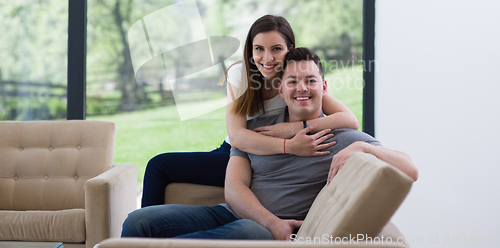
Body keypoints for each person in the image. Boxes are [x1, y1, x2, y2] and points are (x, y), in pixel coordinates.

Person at [122, 48, 418, 240]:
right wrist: (268, 218)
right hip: (229, 212)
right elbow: (234, 186)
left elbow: (410, 169)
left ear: (324, 87)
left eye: (310, 81)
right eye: (293, 81)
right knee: (139, 221)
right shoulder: (258, 130)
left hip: (261, 232)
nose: (302, 88)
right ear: (280, 88)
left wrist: (365, 148)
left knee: (248, 232)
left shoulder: (344, 138)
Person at [141, 15, 358, 207]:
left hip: (268, 160)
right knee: (158, 166)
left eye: (276, 49)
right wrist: (288, 145)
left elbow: (349, 120)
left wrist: (295, 127)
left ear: (289, 49)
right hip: (235, 154)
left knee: (159, 165)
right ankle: (142, 240)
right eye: (259, 49)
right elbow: (236, 136)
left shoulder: (297, 80)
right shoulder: (240, 75)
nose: (267, 58)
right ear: (250, 50)